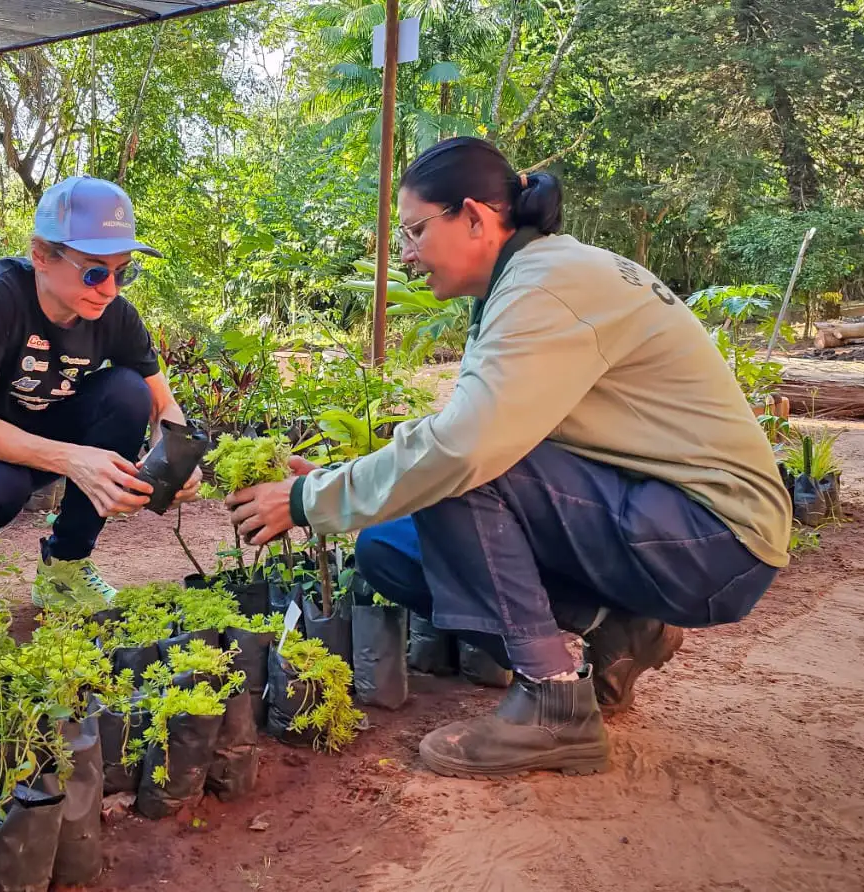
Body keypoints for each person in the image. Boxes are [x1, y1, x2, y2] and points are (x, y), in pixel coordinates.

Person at [226, 137, 791, 779]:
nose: (406, 254)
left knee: (458, 473)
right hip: (663, 523)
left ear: (473, 216)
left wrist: (305, 501)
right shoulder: (530, 277)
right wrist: (340, 482)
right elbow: (475, 435)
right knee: (391, 549)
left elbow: (463, 448)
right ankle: (619, 633)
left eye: (414, 230)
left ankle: (554, 704)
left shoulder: (547, 287)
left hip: (714, 536)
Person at [0, 176, 199, 604]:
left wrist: (175, 459)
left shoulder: (115, 316)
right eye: (93, 272)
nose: (109, 288)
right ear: (41, 256)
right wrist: (75, 459)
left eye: (123, 272)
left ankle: (63, 568)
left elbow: (163, 403)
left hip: (31, 443)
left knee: (128, 392)